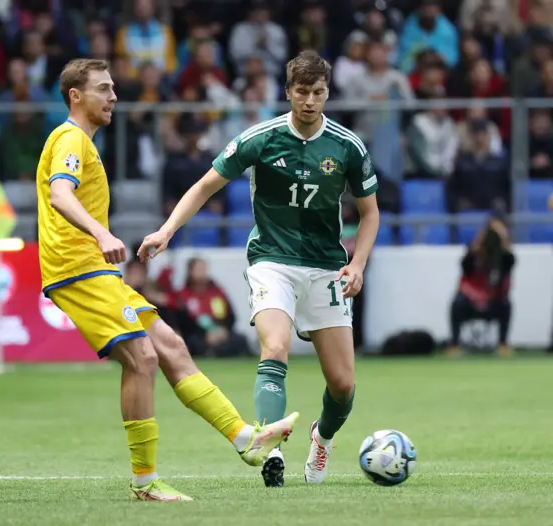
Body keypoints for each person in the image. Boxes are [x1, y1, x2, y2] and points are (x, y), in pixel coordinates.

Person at [36, 59, 298, 502]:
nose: (114, 96)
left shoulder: (82, 141)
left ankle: (245, 440)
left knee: (170, 347)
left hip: (95, 270)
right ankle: (145, 482)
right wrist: (101, 232)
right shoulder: (70, 138)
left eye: (113, 87)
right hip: (77, 269)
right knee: (142, 358)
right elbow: (60, 193)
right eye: (103, 88)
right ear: (75, 96)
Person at [138, 51, 380, 487]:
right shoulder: (261, 138)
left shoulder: (348, 146)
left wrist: (358, 264)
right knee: (275, 348)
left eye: (319, 93)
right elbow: (205, 185)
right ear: (288, 92)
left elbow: (370, 213)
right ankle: (271, 451)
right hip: (272, 260)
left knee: (342, 385)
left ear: (328, 93)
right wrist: (167, 231)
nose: (310, 101)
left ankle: (321, 439)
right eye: (302, 92)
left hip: (326, 267)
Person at [447, 215, 515, 358]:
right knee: (457, 303)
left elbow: (510, 262)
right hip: (471, 301)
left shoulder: (503, 258)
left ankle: (503, 344)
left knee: (506, 304)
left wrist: (503, 237)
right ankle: (454, 344)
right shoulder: (473, 255)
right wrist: (478, 242)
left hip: (494, 300)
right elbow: (464, 266)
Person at [177, 257, 252, 358]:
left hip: (220, 333)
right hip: (199, 336)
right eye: (199, 269)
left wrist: (224, 330)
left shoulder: (217, 292)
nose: (203, 273)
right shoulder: (183, 295)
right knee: (191, 343)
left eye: (204, 269)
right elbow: (184, 323)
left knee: (241, 339)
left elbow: (231, 315)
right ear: (190, 272)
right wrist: (205, 335)